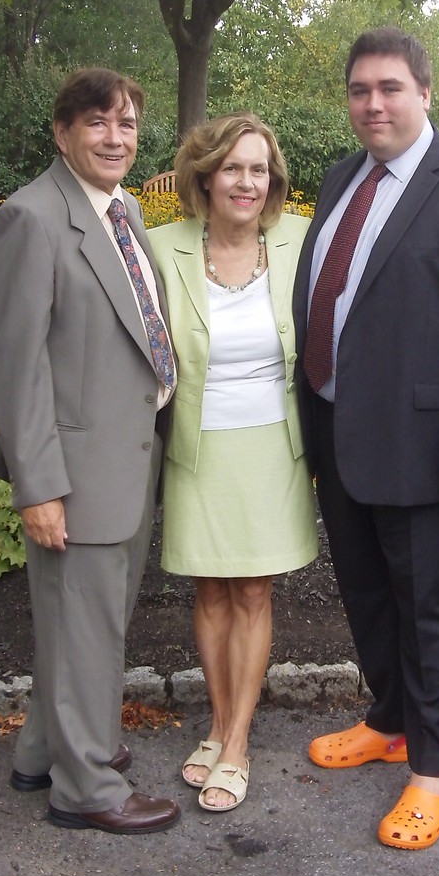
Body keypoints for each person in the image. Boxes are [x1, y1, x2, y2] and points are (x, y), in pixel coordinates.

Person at [293, 28, 439, 849]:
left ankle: (434, 772)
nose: (373, 104)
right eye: (360, 90)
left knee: (432, 613)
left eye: (390, 88)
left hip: (432, 452)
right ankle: (389, 720)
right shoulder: (339, 181)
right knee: (365, 596)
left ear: (425, 93)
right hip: (341, 435)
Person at [0, 67, 181, 835]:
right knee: (87, 627)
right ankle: (87, 786)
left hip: (130, 458)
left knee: (86, 624)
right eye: (97, 123)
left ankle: (43, 750)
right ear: (62, 132)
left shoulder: (120, 210)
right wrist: (37, 486)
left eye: (126, 123)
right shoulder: (33, 217)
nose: (115, 137)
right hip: (74, 473)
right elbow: (15, 362)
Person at [148, 112, 318, 812]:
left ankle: (237, 742)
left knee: (253, 592)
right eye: (233, 168)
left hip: (272, 449)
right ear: (205, 176)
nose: (246, 181)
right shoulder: (162, 249)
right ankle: (218, 726)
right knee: (210, 593)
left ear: (271, 181)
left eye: (259, 169)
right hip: (197, 448)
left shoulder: (302, 240)